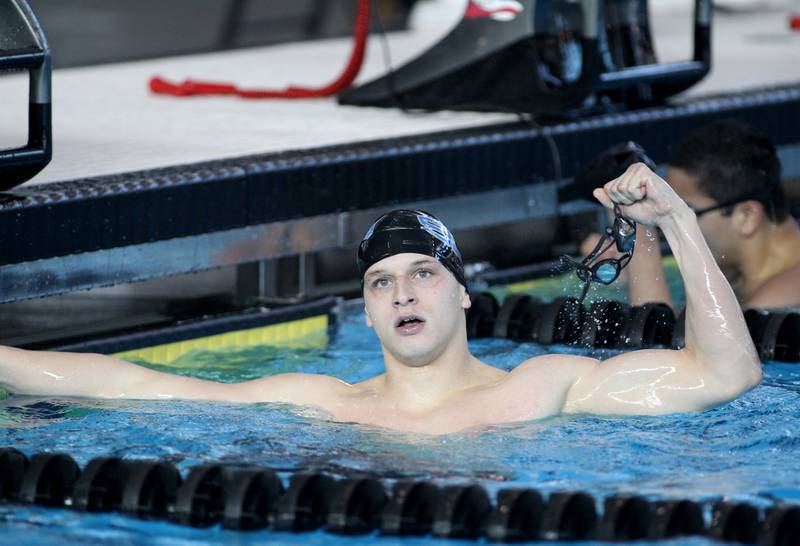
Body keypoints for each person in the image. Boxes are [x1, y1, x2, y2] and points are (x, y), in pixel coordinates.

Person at [0, 164, 762, 434]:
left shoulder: (546, 387)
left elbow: (727, 374)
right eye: (380, 281)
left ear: (465, 295)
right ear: (365, 312)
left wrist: (678, 223)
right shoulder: (320, 398)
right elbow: (133, 382)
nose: (401, 290)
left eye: (424, 273)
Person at [584, 119, 800, 309]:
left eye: (686, 211)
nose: (669, 223)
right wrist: (622, 269)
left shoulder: (774, 303)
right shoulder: (743, 277)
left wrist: (639, 241)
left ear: (746, 216)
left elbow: (664, 352)